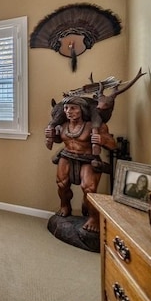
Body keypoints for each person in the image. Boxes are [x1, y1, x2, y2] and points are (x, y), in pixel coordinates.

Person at [45, 96, 116, 232]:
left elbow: (112, 145)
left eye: (73, 108)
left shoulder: (95, 126)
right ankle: (65, 206)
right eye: (66, 108)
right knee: (61, 184)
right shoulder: (63, 126)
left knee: (88, 189)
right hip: (66, 156)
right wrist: (51, 135)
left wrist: (102, 140)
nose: (68, 111)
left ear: (82, 110)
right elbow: (58, 140)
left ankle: (93, 218)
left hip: (87, 159)